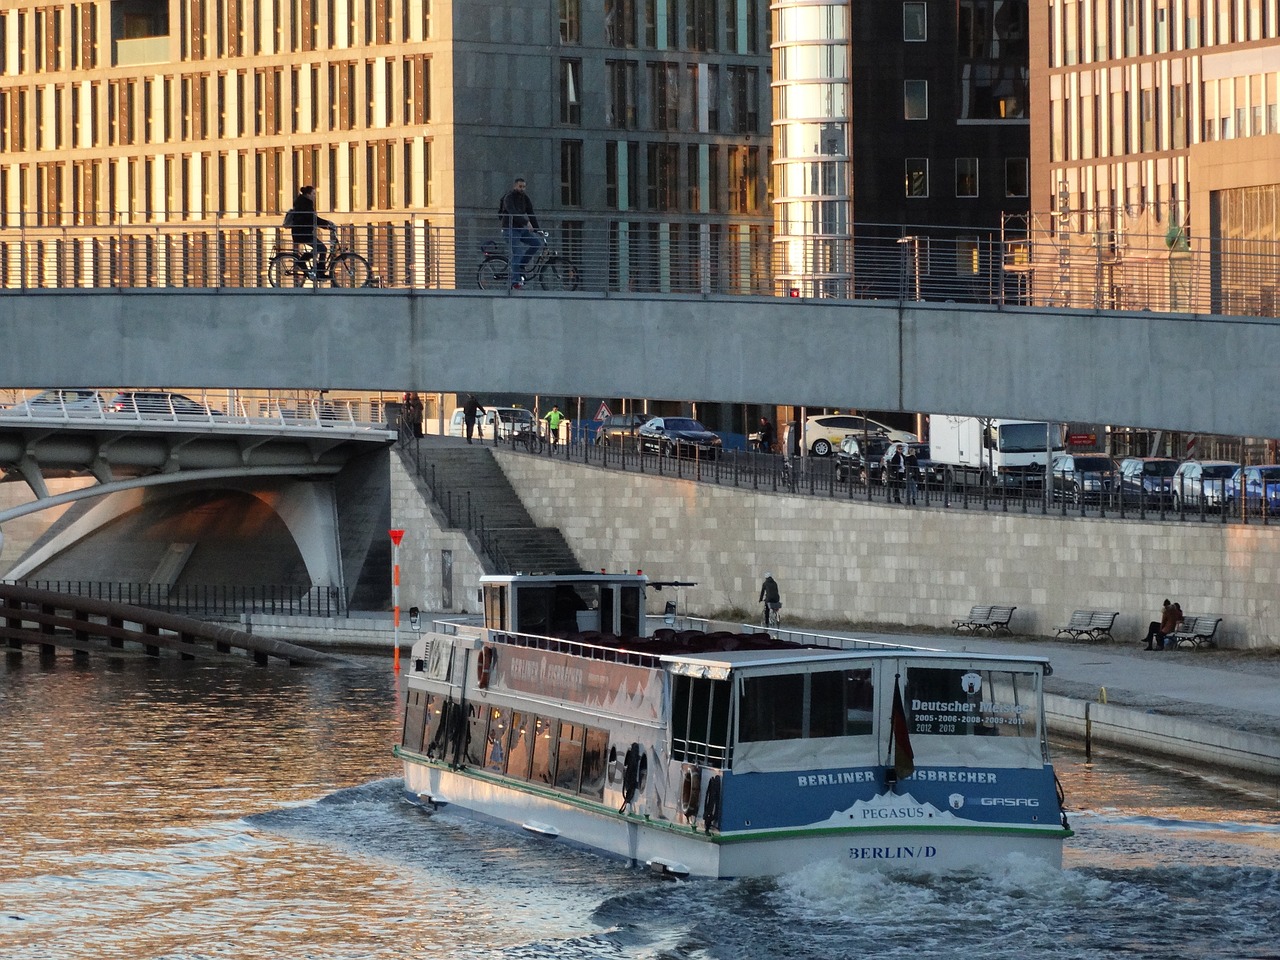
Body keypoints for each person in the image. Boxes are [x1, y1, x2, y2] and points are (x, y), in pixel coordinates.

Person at [498, 177, 544, 289]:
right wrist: (526, 222)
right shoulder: (509, 197)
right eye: (520, 186)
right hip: (509, 229)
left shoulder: (525, 198)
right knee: (517, 252)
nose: (522, 189)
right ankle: (515, 281)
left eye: (523, 187)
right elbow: (512, 212)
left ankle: (520, 266)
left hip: (520, 229)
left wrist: (538, 230)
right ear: (515, 186)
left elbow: (531, 213)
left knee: (536, 243)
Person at [290, 185, 335, 277]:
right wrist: (326, 223)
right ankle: (319, 271)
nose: (315, 196)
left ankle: (304, 263)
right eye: (313, 194)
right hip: (302, 233)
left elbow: (311, 219)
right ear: (308, 194)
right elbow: (312, 218)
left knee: (318, 248)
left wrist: (325, 225)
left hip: (301, 232)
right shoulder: (305, 204)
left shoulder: (303, 202)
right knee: (322, 249)